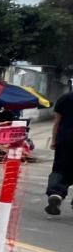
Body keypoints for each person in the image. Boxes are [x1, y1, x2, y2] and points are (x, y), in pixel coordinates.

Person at [45, 87, 73, 215]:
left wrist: (54, 140)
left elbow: (57, 122)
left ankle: (56, 194)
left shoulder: (65, 98)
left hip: (65, 140)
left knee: (60, 169)